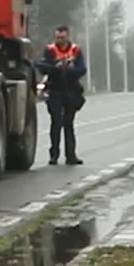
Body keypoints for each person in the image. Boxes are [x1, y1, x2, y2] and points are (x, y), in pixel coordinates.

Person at [36, 24, 87, 165]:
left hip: (71, 90)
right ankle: (54, 155)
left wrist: (70, 70)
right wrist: (56, 68)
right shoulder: (50, 50)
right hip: (55, 90)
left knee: (68, 123)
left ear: (68, 36)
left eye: (62, 37)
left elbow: (82, 69)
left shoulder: (76, 50)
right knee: (56, 123)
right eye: (57, 37)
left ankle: (71, 155)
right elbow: (42, 67)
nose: (59, 40)